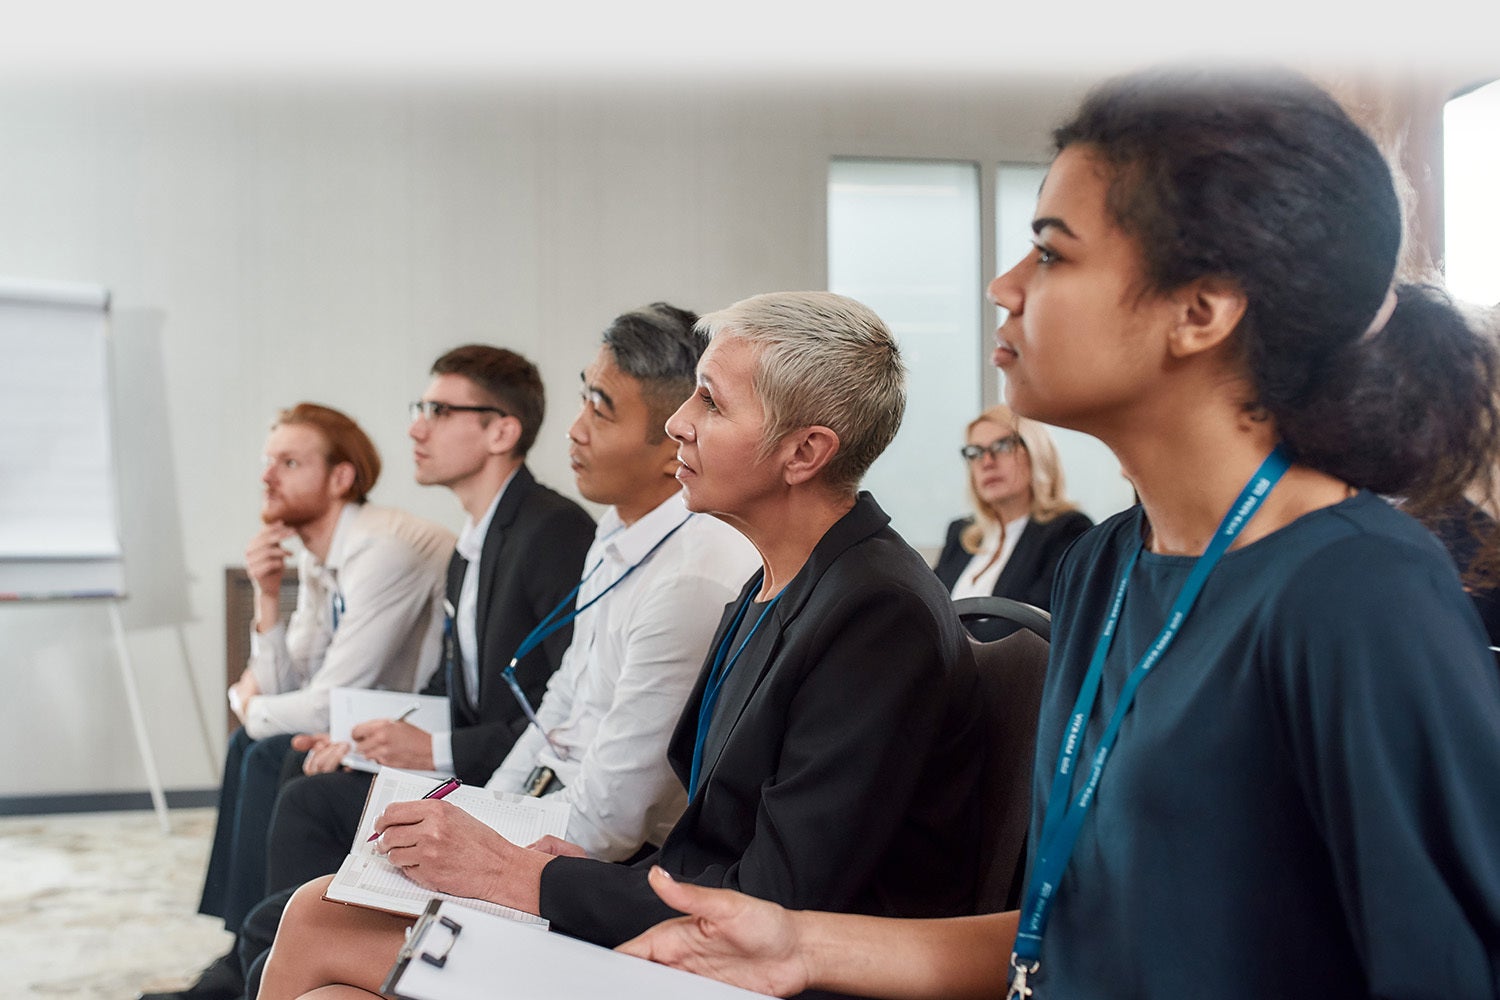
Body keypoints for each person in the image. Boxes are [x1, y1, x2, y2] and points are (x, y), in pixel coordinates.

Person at [617, 68, 1500, 999]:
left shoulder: (1356, 592)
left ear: (1200, 310)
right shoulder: (1106, 564)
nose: (1005, 286)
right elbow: (1072, 931)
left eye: (1052, 252)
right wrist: (802, 946)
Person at [258, 291, 988, 1000]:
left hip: (757, 971)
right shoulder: (778, 580)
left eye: (710, 402)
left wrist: (523, 877)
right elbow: (714, 841)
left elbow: (776, 904)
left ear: (804, 451)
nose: (678, 424)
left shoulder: (875, 612)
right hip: (692, 924)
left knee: (320, 919)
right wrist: (567, 868)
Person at [205, 303, 761, 1000]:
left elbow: (612, 816)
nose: (575, 428)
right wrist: (483, 807)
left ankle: (237, 971)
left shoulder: (663, 564)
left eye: (600, 407)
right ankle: (237, 968)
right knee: (296, 885)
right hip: (538, 802)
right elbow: (556, 702)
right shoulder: (611, 535)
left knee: (300, 914)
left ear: (669, 436)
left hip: (584, 853)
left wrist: (478, 833)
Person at [139, 348, 596, 1000]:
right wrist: (364, 735)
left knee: (298, 782)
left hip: (510, 779)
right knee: (292, 763)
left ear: (501, 430)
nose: (415, 427)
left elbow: (558, 714)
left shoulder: (548, 531)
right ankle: (253, 957)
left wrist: (423, 746)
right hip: (456, 747)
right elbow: (449, 687)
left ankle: (264, 962)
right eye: (420, 410)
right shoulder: (475, 542)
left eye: (438, 411)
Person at [194, 403, 454, 942]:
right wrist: (266, 599)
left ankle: (258, 947)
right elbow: (297, 686)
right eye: (268, 461)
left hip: (428, 728)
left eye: (288, 462)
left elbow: (325, 701)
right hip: (372, 715)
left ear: (341, 478)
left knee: (268, 747)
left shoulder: (382, 549)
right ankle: (237, 947)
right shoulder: (320, 554)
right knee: (250, 745)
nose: (266, 475)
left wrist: (247, 702)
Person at [933, 404, 1091, 636]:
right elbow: (926, 613)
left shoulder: (1068, 531)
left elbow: (1029, 629)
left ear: (1037, 453)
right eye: (975, 452)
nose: (987, 462)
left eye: (1002, 446)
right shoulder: (961, 533)